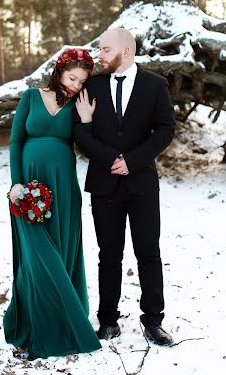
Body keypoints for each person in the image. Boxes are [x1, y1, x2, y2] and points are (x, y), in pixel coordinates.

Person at [74, 28, 175, 346]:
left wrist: (132, 160)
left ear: (125, 51)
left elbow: (165, 129)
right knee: (109, 256)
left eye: (105, 50)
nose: (99, 56)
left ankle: (154, 321)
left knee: (149, 253)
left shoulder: (155, 85)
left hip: (142, 182)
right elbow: (80, 130)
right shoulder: (92, 85)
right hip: (104, 184)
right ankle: (107, 321)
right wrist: (109, 159)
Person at [3, 48, 102, 360]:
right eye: (72, 78)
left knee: (61, 250)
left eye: (81, 81)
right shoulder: (31, 98)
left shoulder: (77, 104)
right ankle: (36, 322)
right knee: (36, 256)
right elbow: (16, 141)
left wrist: (86, 122)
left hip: (62, 189)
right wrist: (16, 183)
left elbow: (87, 149)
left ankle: (64, 321)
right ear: (59, 71)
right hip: (28, 187)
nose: (75, 85)